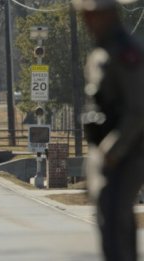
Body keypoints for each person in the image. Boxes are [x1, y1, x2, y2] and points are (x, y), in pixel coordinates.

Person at [74, 0, 144, 260]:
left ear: (110, 13)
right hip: (106, 153)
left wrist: (111, 152)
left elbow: (138, 111)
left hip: (126, 154)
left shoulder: (127, 53)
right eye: (85, 14)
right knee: (113, 223)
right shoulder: (102, 50)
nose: (88, 21)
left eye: (93, 15)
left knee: (115, 222)